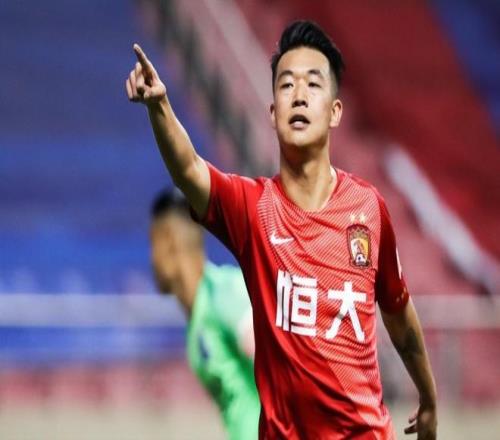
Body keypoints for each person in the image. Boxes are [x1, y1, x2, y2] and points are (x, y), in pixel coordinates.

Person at [127, 20, 437, 440]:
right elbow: (189, 170)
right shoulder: (252, 209)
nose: (299, 95)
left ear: (335, 112)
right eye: (286, 85)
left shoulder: (369, 209)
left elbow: (398, 311)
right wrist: (160, 106)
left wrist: (428, 396)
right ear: (273, 113)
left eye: (313, 84)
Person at [150, 188, 260, 439]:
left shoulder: (223, 293)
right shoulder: (197, 323)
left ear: (168, 241)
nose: (152, 259)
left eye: (152, 244)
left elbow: (281, 361)